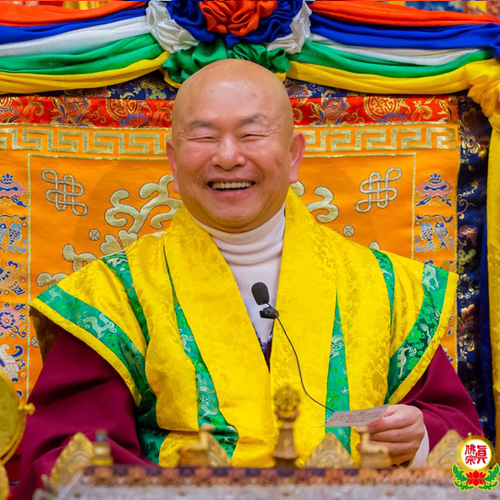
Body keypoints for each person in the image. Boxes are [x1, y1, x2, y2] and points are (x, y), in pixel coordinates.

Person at [13, 60, 481, 498]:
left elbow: (474, 463)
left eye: (251, 134)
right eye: (204, 137)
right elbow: (65, 457)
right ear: (173, 160)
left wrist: (422, 437)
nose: (228, 157)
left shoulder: (385, 287)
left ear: (294, 155)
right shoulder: (111, 296)